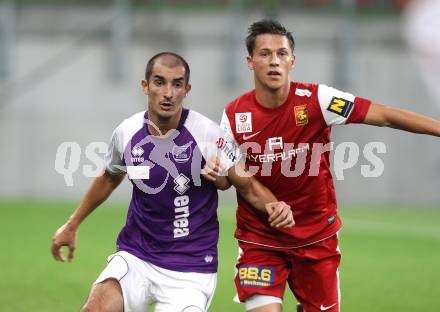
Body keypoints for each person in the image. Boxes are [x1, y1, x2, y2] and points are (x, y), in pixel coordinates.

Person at [218, 20, 440, 312]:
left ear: (292, 61)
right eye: (265, 53)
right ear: (250, 61)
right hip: (261, 241)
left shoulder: (319, 100)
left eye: (282, 54)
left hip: (316, 239)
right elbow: (236, 179)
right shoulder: (234, 115)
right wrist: (257, 196)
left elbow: (384, 115)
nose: (274, 61)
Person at [51, 52, 294, 312]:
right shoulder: (126, 132)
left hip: (190, 269)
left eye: (177, 84)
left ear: (186, 90)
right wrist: (72, 224)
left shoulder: (209, 135)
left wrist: (276, 206)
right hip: (137, 255)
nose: (168, 92)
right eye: (159, 82)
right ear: (145, 86)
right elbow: (110, 176)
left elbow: (248, 186)